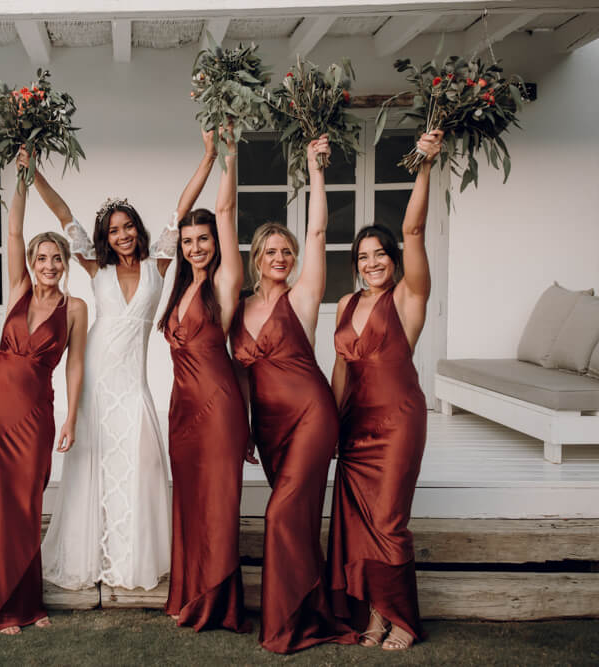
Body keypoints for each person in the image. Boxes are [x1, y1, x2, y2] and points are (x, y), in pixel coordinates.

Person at [37, 132, 219, 591]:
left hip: (131, 382)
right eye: (114, 230)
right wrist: (30, 172)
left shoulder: (160, 263)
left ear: (137, 227)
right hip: (97, 378)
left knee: (142, 464)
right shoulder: (96, 268)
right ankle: (91, 557)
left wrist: (210, 155)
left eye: (127, 227)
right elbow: (63, 215)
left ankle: (129, 556)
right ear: (105, 236)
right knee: (92, 463)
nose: (122, 235)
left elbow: (181, 208)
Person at [230, 136, 357, 653]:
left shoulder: (303, 296)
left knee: (280, 514)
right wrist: (244, 429)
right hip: (269, 426)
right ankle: (311, 610)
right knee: (298, 517)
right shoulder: (237, 308)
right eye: (271, 251)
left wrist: (315, 170)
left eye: (288, 251)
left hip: (310, 415)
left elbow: (320, 228)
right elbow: (239, 377)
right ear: (256, 258)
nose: (280, 257)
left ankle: (284, 625)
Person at [327, 131, 443, 651]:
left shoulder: (410, 297)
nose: (372, 262)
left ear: (393, 257)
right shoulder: (347, 305)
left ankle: (403, 618)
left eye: (380, 254)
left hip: (397, 422)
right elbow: (341, 370)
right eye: (363, 256)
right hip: (355, 425)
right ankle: (375, 616)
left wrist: (425, 164)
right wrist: (329, 426)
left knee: (389, 521)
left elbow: (415, 227)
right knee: (358, 524)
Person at [0, 156, 87, 634]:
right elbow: (12, 231)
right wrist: (20, 177)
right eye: (42, 258)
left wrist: (72, 417)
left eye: (56, 258)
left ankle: (25, 602)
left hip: (37, 413)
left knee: (25, 502)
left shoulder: (75, 309)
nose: (49, 265)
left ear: (65, 263)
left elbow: (74, 366)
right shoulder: (17, 289)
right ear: (32, 263)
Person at [157, 134, 247, 631]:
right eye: (189, 242)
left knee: (217, 503)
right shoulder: (181, 285)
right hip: (182, 410)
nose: (194, 248)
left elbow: (224, 207)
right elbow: (179, 213)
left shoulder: (225, 280)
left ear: (217, 243)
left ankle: (217, 602)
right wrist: (205, 156)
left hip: (217, 409)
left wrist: (225, 153)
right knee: (190, 502)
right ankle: (191, 591)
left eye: (203, 240)